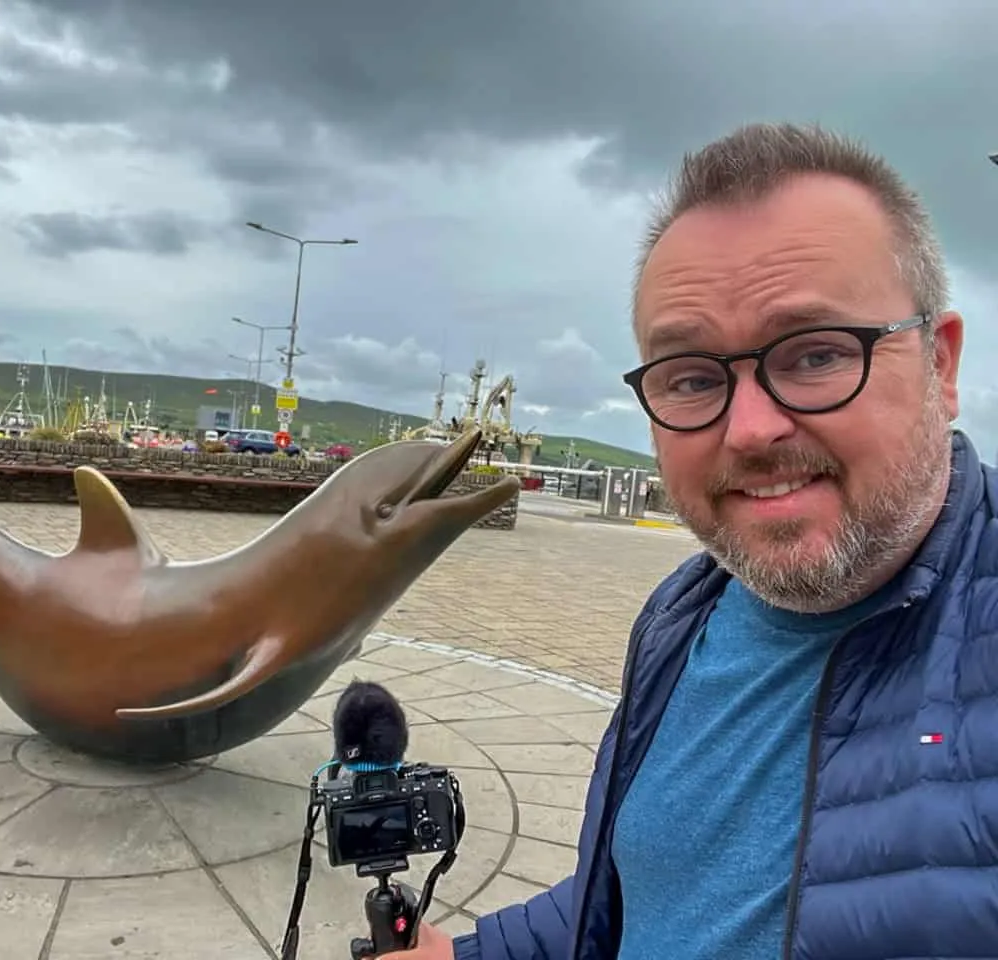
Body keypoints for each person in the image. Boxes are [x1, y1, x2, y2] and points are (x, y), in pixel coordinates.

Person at [372, 122, 998, 958]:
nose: (749, 429)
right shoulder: (686, 615)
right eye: (694, 378)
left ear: (941, 365)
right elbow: (644, 895)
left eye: (816, 354)